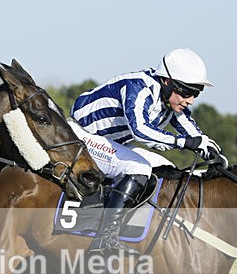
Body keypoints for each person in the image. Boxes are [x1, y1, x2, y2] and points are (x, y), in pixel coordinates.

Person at [70, 48, 227, 254]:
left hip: (111, 142)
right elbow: (140, 131)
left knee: (167, 167)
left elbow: (191, 131)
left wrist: (211, 151)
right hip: (79, 138)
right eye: (187, 92)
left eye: (196, 94)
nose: (190, 100)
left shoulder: (170, 100)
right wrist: (183, 143)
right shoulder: (138, 87)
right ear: (167, 82)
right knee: (138, 167)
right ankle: (104, 239)